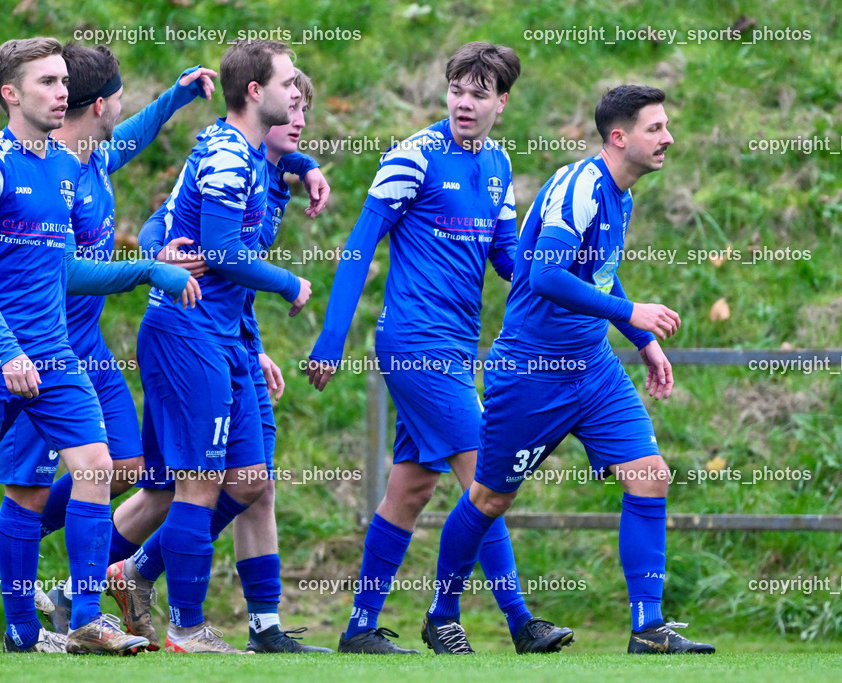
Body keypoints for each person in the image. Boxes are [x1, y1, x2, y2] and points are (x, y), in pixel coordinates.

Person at [422, 85, 716, 655]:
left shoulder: (621, 196)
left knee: (650, 474)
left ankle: (648, 628)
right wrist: (632, 312)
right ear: (619, 137)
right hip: (532, 372)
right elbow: (545, 277)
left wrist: (640, 338)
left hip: (594, 368)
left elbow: (598, 274)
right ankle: (442, 614)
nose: (668, 138)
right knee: (489, 497)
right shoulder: (580, 186)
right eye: (656, 128)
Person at [0, 36, 197, 657]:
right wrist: (7, 351)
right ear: (10, 94)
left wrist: (144, 269)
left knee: (97, 466)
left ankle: (85, 618)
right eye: (48, 82)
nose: (62, 93)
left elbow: (64, 269)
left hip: (53, 352)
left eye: (63, 82)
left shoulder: (65, 167)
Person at [304, 41, 572, 656]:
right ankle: (517, 620)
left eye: (479, 94)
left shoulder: (500, 165)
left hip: (454, 348)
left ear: (502, 102)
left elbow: (508, 260)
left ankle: (359, 627)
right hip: (414, 343)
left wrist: (568, 276)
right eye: (457, 90)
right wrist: (330, 338)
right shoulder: (414, 156)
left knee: (411, 490)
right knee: (488, 478)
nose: (464, 103)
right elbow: (357, 245)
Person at [107, 69, 332, 654]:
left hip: (226, 335)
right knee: (184, 486)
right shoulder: (230, 155)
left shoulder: (260, 158)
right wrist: (288, 282)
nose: (300, 116)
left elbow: (181, 211)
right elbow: (223, 252)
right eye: (292, 95)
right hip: (188, 330)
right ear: (257, 93)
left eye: (305, 108)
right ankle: (181, 624)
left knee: (250, 481)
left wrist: (306, 167)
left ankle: (132, 580)